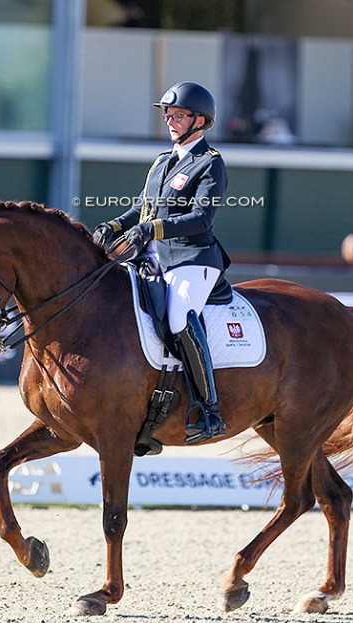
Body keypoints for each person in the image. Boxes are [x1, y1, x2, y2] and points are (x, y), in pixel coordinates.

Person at [93, 81, 230, 445]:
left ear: (200, 121)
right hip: (152, 258)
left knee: (179, 318)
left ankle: (209, 409)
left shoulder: (210, 164)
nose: (170, 120)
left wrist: (151, 229)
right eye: (168, 114)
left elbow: (201, 218)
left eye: (179, 115)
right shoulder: (163, 161)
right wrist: (117, 224)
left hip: (192, 258)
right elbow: (143, 206)